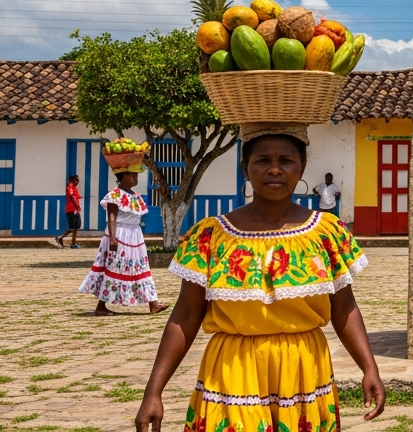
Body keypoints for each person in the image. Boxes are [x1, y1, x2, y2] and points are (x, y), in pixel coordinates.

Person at [134, 125, 385, 432]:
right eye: (263, 160)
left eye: (286, 161)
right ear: (246, 167)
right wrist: (153, 392)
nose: (275, 170)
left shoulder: (327, 232)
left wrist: (369, 367)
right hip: (232, 370)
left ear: (302, 166)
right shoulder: (212, 235)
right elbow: (185, 315)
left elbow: (344, 308)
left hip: (304, 369)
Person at [78, 168, 168, 315]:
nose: (135, 177)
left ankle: (153, 303)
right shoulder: (114, 195)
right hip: (120, 234)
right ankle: (101, 306)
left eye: (136, 175)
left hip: (135, 236)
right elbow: (112, 217)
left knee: (141, 267)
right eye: (132, 174)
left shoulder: (135, 196)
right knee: (115, 268)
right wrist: (113, 238)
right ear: (123, 176)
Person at [57, 174, 83, 249]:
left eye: (77, 180)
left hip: (75, 210)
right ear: (72, 181)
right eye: (76, 180)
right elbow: (72, 197)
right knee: (72, 228)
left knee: (76, 227)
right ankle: (60, 238)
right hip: (71, 210)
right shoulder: (70, 187)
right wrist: (77, 207)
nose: (77, 182)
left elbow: (75, 197)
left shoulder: (74, 188)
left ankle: (73, 243)